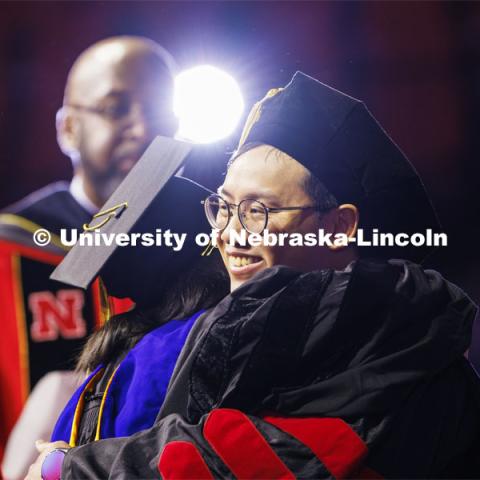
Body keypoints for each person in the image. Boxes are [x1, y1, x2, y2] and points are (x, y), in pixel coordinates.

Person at [28, 72, 480, 479]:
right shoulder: (233, 330)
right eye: (222, 208)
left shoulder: (392, 336)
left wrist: (64, 469)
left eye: (258, 211)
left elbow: (243, 460)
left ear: (341, 227)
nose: (230, 234)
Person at [0, 35, 179, 477]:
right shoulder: (11, 248)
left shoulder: (206, 246)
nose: (142, 128)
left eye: (158, 110)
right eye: (116, 108)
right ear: (68, 128)